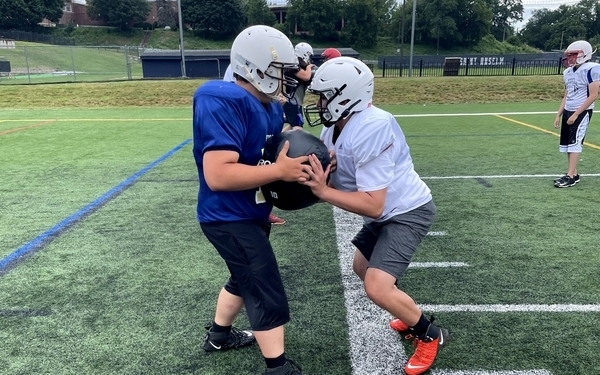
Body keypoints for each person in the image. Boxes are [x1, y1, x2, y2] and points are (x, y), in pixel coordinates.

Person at [301, 56, 449, 375]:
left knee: (377, 287)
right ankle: (406, 310)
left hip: (407, 211)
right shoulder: (335, 129)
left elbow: (373, 205)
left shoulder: (372, 126)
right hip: (387, 213)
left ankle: (429, 335)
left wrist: (323, 191)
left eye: (324, 95)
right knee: (362, 267)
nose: (319, 103)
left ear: (346, 96)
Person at [193, 25, 312, 375]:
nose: (288, 79)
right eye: (281, 71)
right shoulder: (223, 99)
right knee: (262, 283)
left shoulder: (269, 106)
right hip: (225, 216)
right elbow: (219, 174)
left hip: (246, 212)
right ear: (256, 67)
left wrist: (263, 203)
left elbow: (262, 155)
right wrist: (279, 173)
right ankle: (277, 367)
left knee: (242, 277)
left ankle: (219, 335)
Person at [222, 63, 287, 225]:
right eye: (276, 72)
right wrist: (280, 170)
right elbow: (219, 176)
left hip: (256, 207)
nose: (283, 78)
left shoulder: (272, 108)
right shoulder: (231, 103)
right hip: (232, 214)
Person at [553, 40, 600, 188]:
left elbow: (593, 95)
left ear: (583, 54)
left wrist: (575, 114)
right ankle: (573, 173)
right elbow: (566, 95)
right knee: (568, 145)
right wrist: (559, 114)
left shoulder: (592, 68)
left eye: (573, 55)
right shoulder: (567, 72)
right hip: (568, 111)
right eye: (569, 55)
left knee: (575, 144)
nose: (570, 58)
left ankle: (570, 176)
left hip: (581, 112)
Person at [282, 42, 315, 131]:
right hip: (292, 101)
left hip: (294, 101)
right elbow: (306, 76)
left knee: (296, 125)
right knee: (297, 127)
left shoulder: (295, 63)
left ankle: (276, 139)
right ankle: (275, 141)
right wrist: (308, 67)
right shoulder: (294, 64)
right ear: (305, 54)